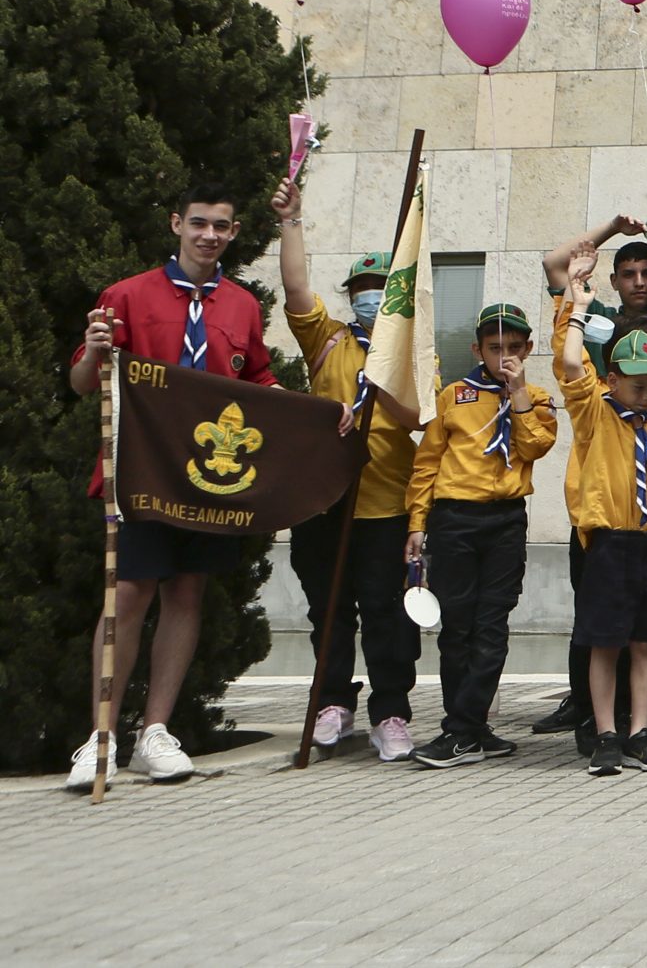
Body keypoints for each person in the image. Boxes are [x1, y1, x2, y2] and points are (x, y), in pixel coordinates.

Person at [67, 180, 280, 791]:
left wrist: (307, 415)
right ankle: (101, 736)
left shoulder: (242, 306)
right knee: (128, 594)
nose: (209, 235)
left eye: (221, 225)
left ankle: (155, 733)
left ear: (234, 232)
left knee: (186, 594)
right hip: (142, 471)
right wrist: (94, 353)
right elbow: (84, 381)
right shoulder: (126, 296)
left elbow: (258, 379)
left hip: (212, 480)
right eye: (199, 223)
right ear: (176, 224)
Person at [537, 187, 647, 739]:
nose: (638, 281)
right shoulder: (595, 340)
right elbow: (569, 354)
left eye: (646, 273)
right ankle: (592, 714)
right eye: (628, 273)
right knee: (599, 621)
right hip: (606, 510)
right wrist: (585, 285)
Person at [273, 176, 423, 762]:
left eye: (379, 289)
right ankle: (333, 701)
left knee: (387, 616)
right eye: (360, 289)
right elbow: (295, 287)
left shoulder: (413, 354)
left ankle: (391, 711)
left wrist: (385, 379)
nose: (369, 297)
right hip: (324, 500)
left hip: (385, 507)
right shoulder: (328, 339)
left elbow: (419, 418)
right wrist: (291, 220)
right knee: (329, 610)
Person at [406, 301, 558, 767]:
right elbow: (427, 463)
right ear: (477, 350)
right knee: (457, 629)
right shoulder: (454, 395)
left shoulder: (537, 398)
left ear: (528, 349)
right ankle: (468, 728)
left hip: (505, 520)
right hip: (454, 519)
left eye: (513, 347)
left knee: (492, 626)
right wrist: (417, 522)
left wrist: (519, 394)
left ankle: (462, 731)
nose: (504, 356)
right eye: (494, 348)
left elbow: (535, 446)